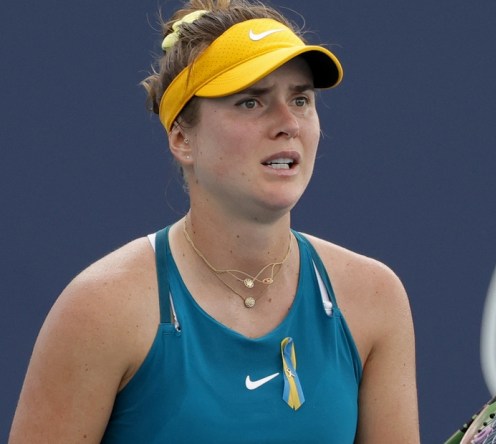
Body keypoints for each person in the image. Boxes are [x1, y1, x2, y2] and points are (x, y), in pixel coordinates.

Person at [9, 0, 419, 442]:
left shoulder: (375, 299)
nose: (288, 124)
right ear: (183, 138)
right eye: (250, 102)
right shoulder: (101, 311)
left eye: (300, 99)